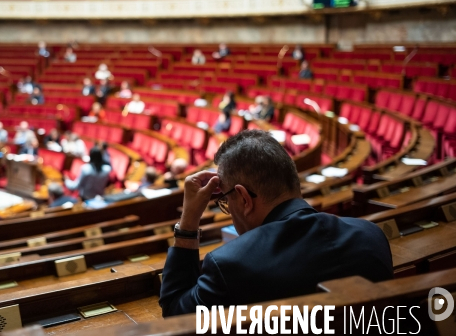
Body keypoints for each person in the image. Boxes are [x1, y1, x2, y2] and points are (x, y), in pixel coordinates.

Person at [159, 130, 393, 317]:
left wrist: (188, 221)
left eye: (226, 201)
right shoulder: (371, 235)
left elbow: (176, 313)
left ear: (243, 198)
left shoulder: (230, 265)